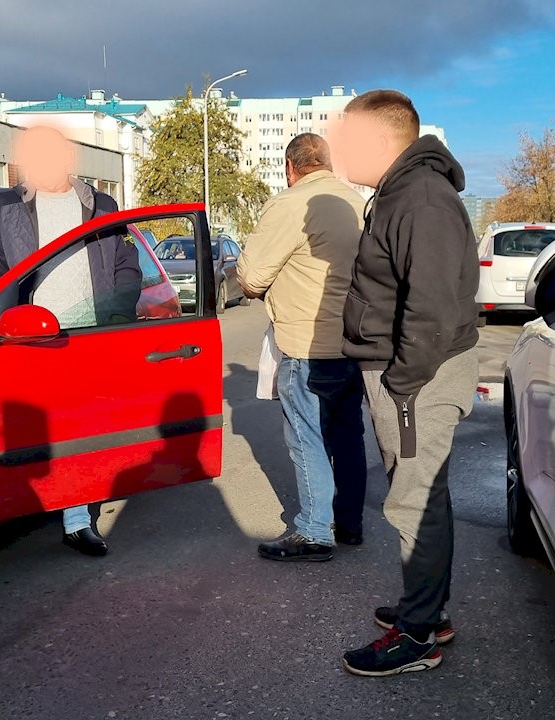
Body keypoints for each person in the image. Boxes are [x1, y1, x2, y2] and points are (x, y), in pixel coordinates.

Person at [333, 90, 480, 676]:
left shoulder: (420, 199)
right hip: (410, 373)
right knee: (420, 492)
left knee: (415, 499)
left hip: (418, 378)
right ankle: (427, 609)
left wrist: (401, 382)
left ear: (380, 140)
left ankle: (418, 635)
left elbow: (434, 310)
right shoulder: (402, 191)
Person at [0, 124, 142, 557]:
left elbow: (126, 264)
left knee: (80, 429)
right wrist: (2, 321)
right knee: (36, 429)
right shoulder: (7, 206)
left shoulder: (99, 205)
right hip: (29, 335)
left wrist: (116, 319)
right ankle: (32, 501)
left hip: (88, 335)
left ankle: (75, 519)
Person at [238, 133, 368, 563]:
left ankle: (314, 529)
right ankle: (348, 521)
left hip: (307, 341)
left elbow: (253, 276)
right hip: (354, 341)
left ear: (290, 168)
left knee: (307, 436)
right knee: (348, 433)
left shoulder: (292, 204)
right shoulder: (357, 203)